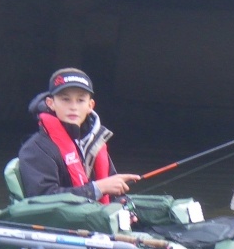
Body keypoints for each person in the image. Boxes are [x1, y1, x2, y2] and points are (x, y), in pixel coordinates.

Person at [17, 68, 141, 203]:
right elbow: (42, 198)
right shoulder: (35, 148)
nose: (73, 107)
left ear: (90, 105)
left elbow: (112, 189)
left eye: (80, 100)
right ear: (51, 103)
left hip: (94, 219)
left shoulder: (95, 142)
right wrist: (97, 188)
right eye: (66, 99)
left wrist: (123, 206)